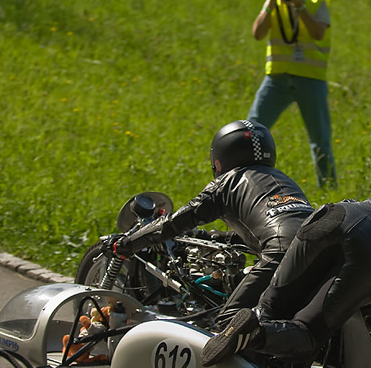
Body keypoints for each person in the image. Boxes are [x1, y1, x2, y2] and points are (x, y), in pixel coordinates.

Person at [201, 192, 371, 367]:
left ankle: (250, 325)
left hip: (334, 214)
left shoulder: (370, 201)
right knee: (309, 333)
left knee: (272, 305)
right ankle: (254, 333)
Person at [112, 120, 315, 325]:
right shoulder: (285, 181)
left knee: (226, 324)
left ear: (219, 159)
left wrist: (128, 244)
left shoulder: (227, 182)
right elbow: (265, 231)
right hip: (324, 246)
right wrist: (210, 236)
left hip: (281, 255)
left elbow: (174, 223)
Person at [249, 0, 337, 187]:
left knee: (320, 141)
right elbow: (257, 33)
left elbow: (318, 32)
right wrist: (270, 0)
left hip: (310, 80)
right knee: (249, 133)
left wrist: (300, 6)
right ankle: (241, 184)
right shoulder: (273, 2)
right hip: (277, 78)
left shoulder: (317, 1)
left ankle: (328, 190)